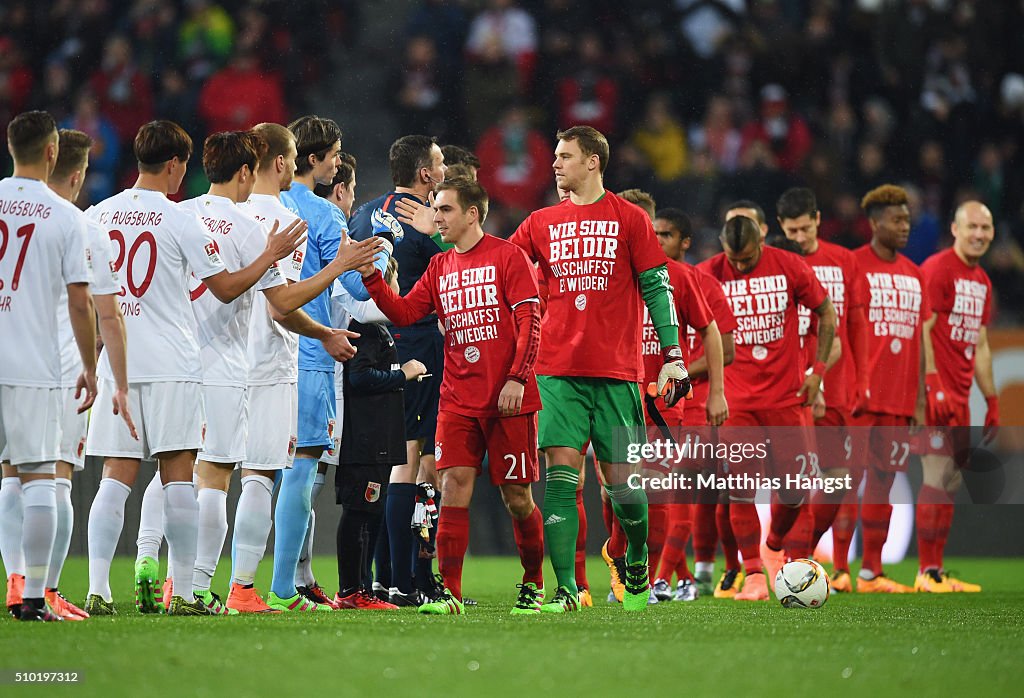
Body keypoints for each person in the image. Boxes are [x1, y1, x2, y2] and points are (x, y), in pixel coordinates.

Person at [83, 120, 302, 617]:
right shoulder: (180, 218)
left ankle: (98, 589)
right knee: (180, 476)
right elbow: (224, 288)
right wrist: (269, 254)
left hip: (118, 361)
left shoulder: (99, 214)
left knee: (114, 477)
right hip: (173, 361)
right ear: (177, 164)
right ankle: (183, 593)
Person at [176, 131, 380, 614]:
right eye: (288, 161)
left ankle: (183, 582)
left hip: (208, 359)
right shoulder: (284, 223)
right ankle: (246, 587)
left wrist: (323, 335)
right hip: (267, 365)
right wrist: (340, 267)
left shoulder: (208, 213)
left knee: (200, 472)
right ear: (280, 163)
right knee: (260, 476)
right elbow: (280, 305)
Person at [509, 125, 689, 612]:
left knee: (624, 486)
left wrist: (673, 357)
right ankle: (568, 589)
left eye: (565, 156)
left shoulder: (630, 219)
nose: (555, 164)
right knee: (562, 475)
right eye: (555, 155)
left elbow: (657, 288)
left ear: (593, 162)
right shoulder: (539, 222)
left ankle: (636, 560)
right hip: (557, 370)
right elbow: (504, 267)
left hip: (616, 372)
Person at [361, 177, 546, 615]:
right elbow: (405, 312)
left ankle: (534, 583)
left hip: (509, 399)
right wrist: (371, 277)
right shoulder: (441, 266)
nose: (436, 217)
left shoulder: (509, 256)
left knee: (518, 498)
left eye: (444, 209)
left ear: (472, 214)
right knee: (451, 488)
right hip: (458, 399)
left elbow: (530, 324)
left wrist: (517, 378)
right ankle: (451, 594)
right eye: (436, 209)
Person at [275, 116, 389, 610]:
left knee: (259, 472)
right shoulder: (324, 216)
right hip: (311, 350)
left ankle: (224, 582)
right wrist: (382, 256)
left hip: (259, 353)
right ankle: (283, 588)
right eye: (336, 153)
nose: (339, 162)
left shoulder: (264, 205)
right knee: (303, 469)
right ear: (314, 158)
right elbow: (357, 290)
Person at [701, 214, 836, 602]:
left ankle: (774, 543)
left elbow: (827, 313)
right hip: (738, 403)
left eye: (746, 258)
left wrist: (818, 372)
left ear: (761, 239)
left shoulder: (789, 265)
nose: (739, 266)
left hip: (786, 399)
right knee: (740, 491)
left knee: (794, 490)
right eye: (733, 259)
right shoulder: (709, 273)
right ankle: (755, 575)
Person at [0, 112, 100, 621]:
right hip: (32, 365)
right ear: (52, 153)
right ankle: (34, 597)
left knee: (6, 477)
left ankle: (17, 583)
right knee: (39, 477)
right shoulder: (64, 216)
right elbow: (81, 303)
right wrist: (89, 365)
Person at [349, 135, 448, 606]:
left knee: (388, 460)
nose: (445, 167)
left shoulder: (364, 211)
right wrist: (439, 232)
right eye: (441, 162)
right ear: (425, 174)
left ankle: (381, 576)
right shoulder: (431, 225)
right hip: (418, 342)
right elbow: (458, 272)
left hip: (370, 342)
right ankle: (403, 580)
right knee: (410, 462)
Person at [776, 187, 868, 592]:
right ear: (780, 226)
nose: (797, 236)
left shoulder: (844, 261)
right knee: (792, 477)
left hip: (836, 383)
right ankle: (779, 556)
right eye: (790, 229)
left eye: (803, 227)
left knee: (836, 477)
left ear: (817, 219)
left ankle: (803, 553)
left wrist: (858, 379)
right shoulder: (777, 264)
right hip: (788, 389)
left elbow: (853, 327)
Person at [648, 208, 733, 602]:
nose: (659, 240)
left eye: (666, 234)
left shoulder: (699, 281)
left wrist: (684, 374)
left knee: (676, 490)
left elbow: (724, 346)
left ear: (684, 242)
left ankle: (664, 577)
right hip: (646, 399)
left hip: (689, 404)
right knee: (651, 493)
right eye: (655, 233)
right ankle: (682, 577)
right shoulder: (638, 277)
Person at [850, 184, 930, 594]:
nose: (904, 227)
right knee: (846, 481)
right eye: (897, 220)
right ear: (875, 223)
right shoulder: (853, 266)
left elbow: (919, 339)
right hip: (860, 398)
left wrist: (919, 398)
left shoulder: (916, 274)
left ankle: (871, 571)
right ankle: (833, 569)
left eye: (907, 220)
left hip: (898, 399)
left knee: (883, 481)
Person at [915, 201, 997, 593]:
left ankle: (937, 568)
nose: (979, 234)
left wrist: (992, 398)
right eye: (972, 227)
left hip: (960, 395)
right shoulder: (937, 269)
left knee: (950, 481)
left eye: (986, 227)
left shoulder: (981, 281)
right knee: (935, 475)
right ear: (955, 229)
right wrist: (932, 382)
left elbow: (979, 344)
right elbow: (923, 329)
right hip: (935, 392)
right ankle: (926, 572)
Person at [334, 258, 412, 610]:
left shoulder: (376, 329)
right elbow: (359, 378)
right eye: (394, 281)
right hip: (365, 441)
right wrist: (403, 375)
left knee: (370, 513)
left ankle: (360, 589)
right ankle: (352, 591)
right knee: (360, 513)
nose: (396, 289)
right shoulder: (365, 329)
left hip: (378, 441)